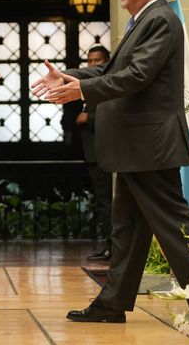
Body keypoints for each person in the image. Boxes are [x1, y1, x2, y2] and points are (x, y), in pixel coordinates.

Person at [31, 0, 189, 323]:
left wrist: (80, 90)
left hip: (149, 146)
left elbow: (136, 76)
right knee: (126, 228)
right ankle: (112, 303)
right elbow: (113, 69)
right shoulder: (144, 20)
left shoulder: (161, 20)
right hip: (136, 148)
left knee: (175, 227)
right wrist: (67, 76)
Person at [75, 44, 112, 261]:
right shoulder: (91, 86)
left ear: (106, 62)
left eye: (97, 61)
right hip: (93, 154)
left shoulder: (106, 86)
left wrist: (86, 118)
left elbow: (111, 116)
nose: (93, 65)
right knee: (102, 202)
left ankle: (112, 248)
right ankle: (109, 245)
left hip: (104, 154)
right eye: (89, 61)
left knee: (107, 202)